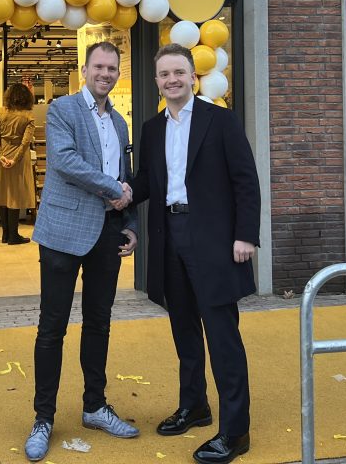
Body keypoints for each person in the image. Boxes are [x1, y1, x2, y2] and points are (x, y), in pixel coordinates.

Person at [126, 44, 259, 464]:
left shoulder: (220, 120)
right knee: (184, 329)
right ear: (157, 81)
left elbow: (246, 180)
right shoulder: (152, 129)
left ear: (193, 78)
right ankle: (195, 406)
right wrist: (122, 193)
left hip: (214, 240)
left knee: (222, 337)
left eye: (179, 72)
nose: (172, 80)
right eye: (164, 74)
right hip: (168, 236)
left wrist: (245, 236)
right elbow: (147, 181)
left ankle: (235, 431)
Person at [23, 41, 139, 462]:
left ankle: (94, 406)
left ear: (118, 74)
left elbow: (125, 175)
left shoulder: (120, 123)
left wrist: (130, 224)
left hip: (107, 233)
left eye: (112, 68)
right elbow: (65, 161)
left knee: (99, 324)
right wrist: (114, 190)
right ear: (85, 69)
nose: (105, 74)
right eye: (99, 67)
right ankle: (43, 418)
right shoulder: (63, 109)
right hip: (63, 231)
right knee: (51, 328)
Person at [0, 85, 35, 245]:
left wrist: (0, 155)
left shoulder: (0, 112)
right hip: (18, 159)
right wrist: (15, 159)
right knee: (15, 195)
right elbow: (25, 142)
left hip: (1, 156)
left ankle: (5, 234)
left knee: (3, 194)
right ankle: (13, 235)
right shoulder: (28, 116)